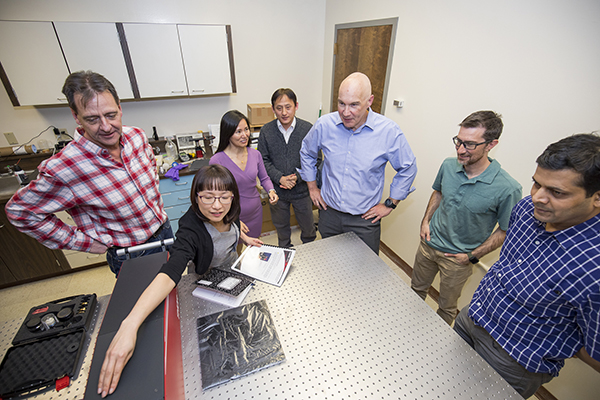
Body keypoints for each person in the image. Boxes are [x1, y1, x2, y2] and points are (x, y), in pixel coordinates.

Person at [453, 133, 600, 398]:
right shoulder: (527, 209)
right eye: (537, 184)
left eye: (557, 192)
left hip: (513, 360)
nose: (537, 197)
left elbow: (595, 350)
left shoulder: (594, 267)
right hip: (472, 318)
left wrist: (557, 333)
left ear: (597, 198)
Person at [97, 164, 263, 397]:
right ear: (196, 197)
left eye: (224, 197)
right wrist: (130, 325)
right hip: (208, 288)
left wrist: (245, 236)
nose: (217, 206)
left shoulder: (230, 209)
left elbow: (233, 223)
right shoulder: (190, 229)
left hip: (234, 279)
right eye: (208, 198)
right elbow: (170, 272)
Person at [5, 70, 172, 276]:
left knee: (175, 293)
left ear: (120, 108)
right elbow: (20, 211)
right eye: (92, 119)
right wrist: (84, 243)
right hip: (130, 253)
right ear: (76, 117)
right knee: (146, 305)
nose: (106, 127)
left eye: (111, 115)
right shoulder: (65, 167)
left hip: (165, 232)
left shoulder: (136, 136)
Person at [410, 111, 522, 325]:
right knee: (415, 291)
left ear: (491, 144)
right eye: (458, 141)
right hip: (428, 246)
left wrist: (471, 256)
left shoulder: (508, 188)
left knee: (446, 307)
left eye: (469, 144)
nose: (461, 150)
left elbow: (505, 231)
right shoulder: (448, 165)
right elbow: (439, 192)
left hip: (457, 260)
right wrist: (426, 222)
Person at [298, 72, 417, 254]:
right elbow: (307, 151)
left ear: (369, 101)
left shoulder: (388, 132)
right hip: (329, 214)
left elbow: (408, 167)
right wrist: (312, 187)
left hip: (364, 220)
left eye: (354, 105)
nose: (346, 113)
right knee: (330, 265)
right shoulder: (324, 125)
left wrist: (390, 203)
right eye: (341, 104)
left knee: (364, 274)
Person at [257, 88, 316, 248]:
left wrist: (297, 176)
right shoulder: (266, 131)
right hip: (278, 192)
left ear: (296, 106)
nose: (284, 112)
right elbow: (262, 160)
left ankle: (311, 260)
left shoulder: (307, 129)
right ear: (273, 109)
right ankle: (284, 259)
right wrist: (280, 178)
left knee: (308, 230)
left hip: (302, 191)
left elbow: (315, 160)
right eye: (279, 108)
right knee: (282, 231)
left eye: (288, 107)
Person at [210, 110, 278, 238]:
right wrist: (232, 219)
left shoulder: (255, 154)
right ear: (228, 133)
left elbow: (264, 178)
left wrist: (271, 191)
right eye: (238, 131)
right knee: (234, 251)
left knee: (254, 247)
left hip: (255, 212)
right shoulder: (217, 160)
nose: (245, 135)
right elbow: (216, 196)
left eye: (246, 129)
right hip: (231, 215)